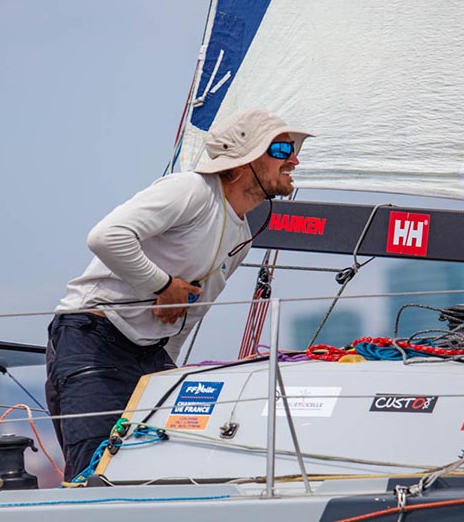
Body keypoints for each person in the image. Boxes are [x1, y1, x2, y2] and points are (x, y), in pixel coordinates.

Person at [45, 108, 313, 483]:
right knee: (97, 475)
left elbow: (187, 315)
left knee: (163, 466)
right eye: (282, 150)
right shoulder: (191, 189)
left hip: (149, 352)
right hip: (92, 338)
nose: (294, 160)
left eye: (294, 150)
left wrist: (165, 374)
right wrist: (162, 285)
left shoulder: (241, 235)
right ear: (244, 162)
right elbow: (106, 237)